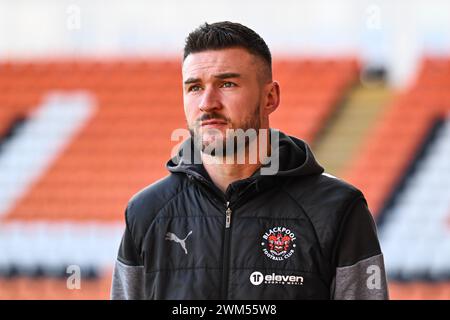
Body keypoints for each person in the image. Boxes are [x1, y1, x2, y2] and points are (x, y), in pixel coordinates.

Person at [110, 21, 389, 300]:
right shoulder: (146, 212)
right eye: (194, 87)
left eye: (227, 83)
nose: (207, 103)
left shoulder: (338, 210)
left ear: (270, 97)